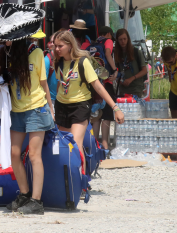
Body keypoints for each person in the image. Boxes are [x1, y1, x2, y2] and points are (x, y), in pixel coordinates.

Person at [0, 3, 54, 215]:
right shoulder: (5, 54)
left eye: (8, 37)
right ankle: (24, 193)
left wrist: (51, 107)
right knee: (14, 154)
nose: (4, 40)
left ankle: (36, 201)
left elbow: (43, 84)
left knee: (34, 156)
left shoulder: (36, 52)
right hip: (17, 111)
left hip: (37, 109)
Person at [53, 31, 125, 171]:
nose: (56, 49)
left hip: (80, 105)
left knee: (75, 144)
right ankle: (67, 181)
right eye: (55, 46)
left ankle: (82, 182)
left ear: (69, 45)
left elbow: (98, 86)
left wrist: (115, 108)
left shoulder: (83, 62)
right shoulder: (59, 62)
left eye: (60, 46)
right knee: (63, 144)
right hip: (62, 106)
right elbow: (60, 84)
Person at [86, 26, 119, 150]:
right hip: (106, 82)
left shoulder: (92, 44)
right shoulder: (108, 41)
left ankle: (94, 145)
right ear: (109, 34)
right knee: (106, 115)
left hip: (94, 84)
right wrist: (115, 70)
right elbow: (107, 54)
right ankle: (105, 145)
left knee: (96, 115)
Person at [114, 29, 148, 97]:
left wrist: (132, 78)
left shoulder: (136, 52)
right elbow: (117, 71)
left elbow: (144, 70)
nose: (123, 41)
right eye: (120, 39)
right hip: (123, 89)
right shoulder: (116, 54)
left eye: (124, 39)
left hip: (136, 89)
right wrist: (118, 79)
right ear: (117, 40)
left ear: (128, 39)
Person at [44, 33, 58, 103]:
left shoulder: (66, 59)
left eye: (54, 42)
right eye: (51, 42)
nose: (52, 44)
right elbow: (43, 83)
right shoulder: (47, 59)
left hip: (65, 98)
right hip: (52, 99)